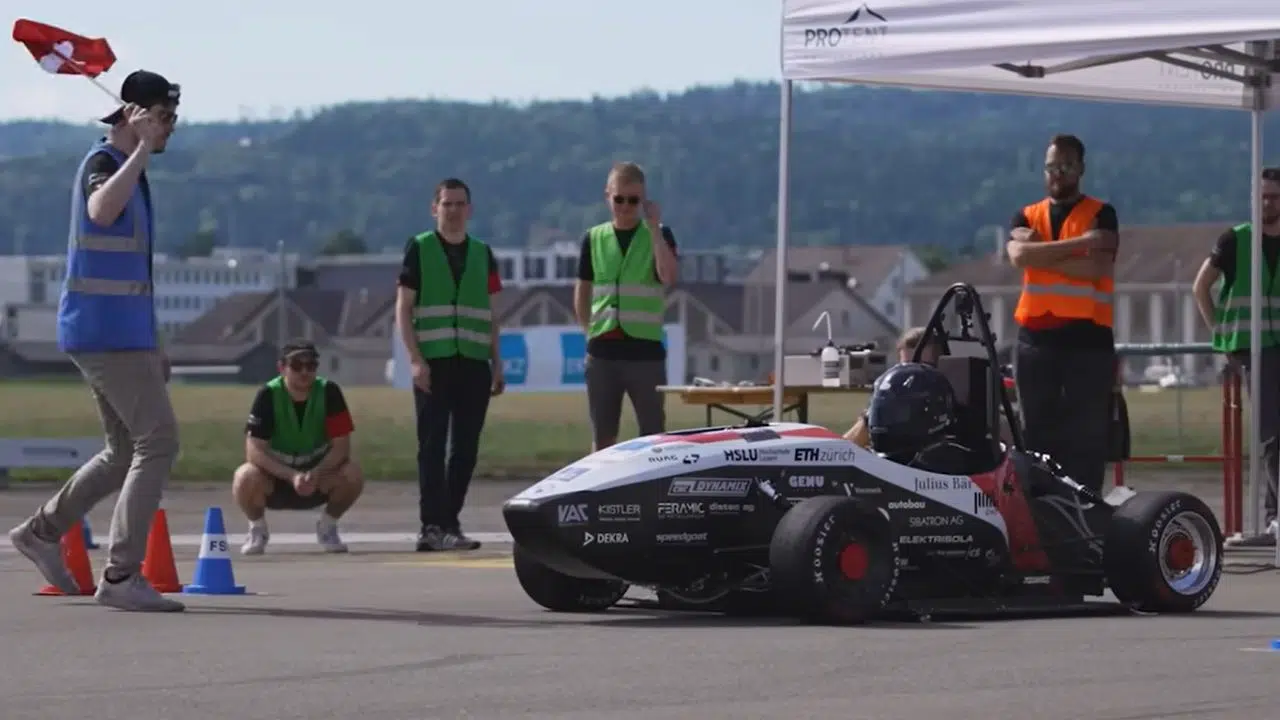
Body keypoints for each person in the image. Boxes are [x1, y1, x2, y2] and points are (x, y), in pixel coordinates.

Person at [6, 70, 185, 612]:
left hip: (123, 332)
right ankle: (122, 575)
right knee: (159, 441)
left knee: (124, 450)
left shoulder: (133, 172)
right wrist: (141, 152)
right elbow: (100, 212)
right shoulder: (106, 164)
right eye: (164, 117)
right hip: (102, 331)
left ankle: (41, 532)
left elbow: (135, 270)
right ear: (137, 114)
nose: (170, 127)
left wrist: (154, 340)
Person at [395, 177, 505, 552]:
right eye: (447, 204)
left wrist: (498, 362)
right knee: (431, 445)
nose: (454, 210)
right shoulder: (420, 249)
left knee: (466, 449)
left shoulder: (482, 253)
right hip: (434, 362)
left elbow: (492, 313)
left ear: (469, 210)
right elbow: (404, 308)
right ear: (435, 208)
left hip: (473, 362)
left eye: (460, 204)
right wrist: (415, 359)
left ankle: (449, 522)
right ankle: (431, 525)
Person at [1005, 133, 1119, 495]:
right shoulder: (1026, 214)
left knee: (1087, 434)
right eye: (1052, 166)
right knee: (1036, 432)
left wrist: (1042, 251)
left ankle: (1086, 508)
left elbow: (1097, 268)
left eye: (1066, 166)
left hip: (1087, 343)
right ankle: (1041, 507)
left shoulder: (1102, 213)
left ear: (1080, 169)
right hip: (1035, 342)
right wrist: (1082, 245)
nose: (1058, 173)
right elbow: (1019, 257)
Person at [1192, 167, 1280, 547]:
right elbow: (1201, 287)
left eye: (1274, 197)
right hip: (1253, 349)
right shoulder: (1235, 241)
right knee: (1272, 434)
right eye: (1261, 196)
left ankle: (1274, 518)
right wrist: (1221, 333)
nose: (1266, 202)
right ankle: (1276, 517)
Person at [574, 161, 679, 451]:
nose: (626, 206)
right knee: (603, 439)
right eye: (619, 198)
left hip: (645, 353)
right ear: (607, 196)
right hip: (603, 353)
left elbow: (669, 276)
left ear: (644, 201)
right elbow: (582, 291)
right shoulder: (594, 238)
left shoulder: (658, 234)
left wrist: (655, 230)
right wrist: (588, 331)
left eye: (634, 200)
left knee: (654, 436)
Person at [232, 341, 365, 555]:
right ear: (282, 367)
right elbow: (254, 450)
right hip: (275, 479)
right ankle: (257, 529)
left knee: (353, 473)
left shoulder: (329, 392)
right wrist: (292, 476)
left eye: (310, 366)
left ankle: (328, 526)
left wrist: (316, 472)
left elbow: (341, 447)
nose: (304, 372)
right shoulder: (268, 395)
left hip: (318, 478)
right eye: (296, 365)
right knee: (245, 476)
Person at [864, 362, 974, 475]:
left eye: (896, 413)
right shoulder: (877, 461)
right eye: (880, 413)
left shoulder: (944, 462)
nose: (884, 422)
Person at [844, 326, 942, 446]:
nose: (912, 377)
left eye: (923, 366)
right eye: (906, 368)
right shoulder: (890, 396)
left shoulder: (948, 405)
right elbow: (847, 448)